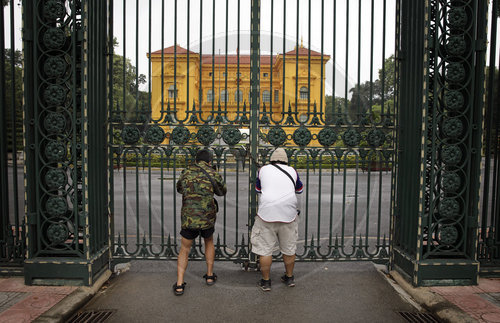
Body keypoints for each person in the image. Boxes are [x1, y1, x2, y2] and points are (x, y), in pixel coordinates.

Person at [174, 149, 227, 296]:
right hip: (206, 217)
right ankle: (209, 275)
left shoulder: (186, 172)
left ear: (196, 160)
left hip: (189, 216)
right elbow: (222, 192)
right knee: (208, 242)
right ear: (209, 161)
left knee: (184, 248)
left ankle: (179, 284)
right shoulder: (212, 173)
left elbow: (179, 189)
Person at [251, 147, 303, 291]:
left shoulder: (263, 170)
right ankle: (289, 277)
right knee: (289, 249)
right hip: (288, 215)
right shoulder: (292, 171)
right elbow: (299, 189)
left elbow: (258, 189)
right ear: (286, 161)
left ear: (271, 159)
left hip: (266, 215)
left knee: (265, 250)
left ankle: (266, 281)